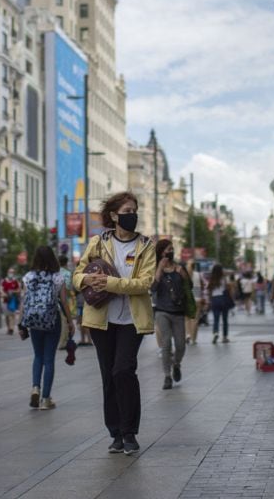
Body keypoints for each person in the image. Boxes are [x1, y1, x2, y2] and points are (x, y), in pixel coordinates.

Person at [74, 191, 156, 456]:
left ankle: (130, 431)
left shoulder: (145, 246)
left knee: (124, 370)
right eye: (127, 211)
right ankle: (116, 433)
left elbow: (144, 283)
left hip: (132, 319)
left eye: (135, 210)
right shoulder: (98, 243)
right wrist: (87, 281)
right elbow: (77, 274)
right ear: (113, 216)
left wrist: (108, 283)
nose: (132, 215)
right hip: (102, 319)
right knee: (108, 375)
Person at [21, 246, 75, 409]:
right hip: (52, 319)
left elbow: (25, 301)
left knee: (38, 356)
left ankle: (35, 387)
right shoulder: (58, 278)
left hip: (34, 320)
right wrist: (70, 321)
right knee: (49, 359)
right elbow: (64, 302)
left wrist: (21, 323)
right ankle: (46, 399)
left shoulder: (28, 277)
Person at [151, 239, 188, 389]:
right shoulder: (154, 268)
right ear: (161, 252)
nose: (170, 252)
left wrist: (183, 274)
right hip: (162, 311)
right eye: (167, 249)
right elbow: (153, 288)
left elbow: (189, 286)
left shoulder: (179, 267)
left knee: (181, 345)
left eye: (172, 249)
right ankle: (167, 376)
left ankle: (177, 364)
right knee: (166, 343)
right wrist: (159, 268)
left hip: (178, 311)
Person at [207, 265, 234, 343]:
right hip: (223, 299)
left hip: (215, 299)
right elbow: (228, 289)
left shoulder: (211, 279)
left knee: (216, 319)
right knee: (225, 319)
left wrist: (209, 301)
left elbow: (209, 291)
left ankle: (215, 333)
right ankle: (224, 337)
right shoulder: (224, 279)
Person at [57, 254, 75, 351]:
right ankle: (63, 342)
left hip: (55, 301)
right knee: (65, 321)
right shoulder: (67, 273)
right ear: (66, 263)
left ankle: (63, 340)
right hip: (64, 300)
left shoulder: (54, 273)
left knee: (60, 321)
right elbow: (68, 288)